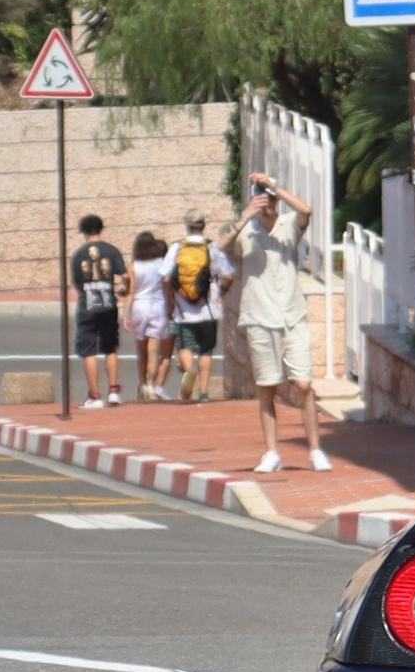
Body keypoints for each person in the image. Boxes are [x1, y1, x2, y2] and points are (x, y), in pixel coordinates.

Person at [229, 170, 331, 474]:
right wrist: (246, 214)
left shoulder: (289, 224)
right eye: (263, 197)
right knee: (267, 388)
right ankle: (272, 452)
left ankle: (315, 451)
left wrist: (276, 187)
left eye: (271, 198)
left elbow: (306, 211)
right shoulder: (245, 229)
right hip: (259, 317)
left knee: (303, 385)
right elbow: (221, 243)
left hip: (292, 315)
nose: (268, 204)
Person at [163, 210, 233, 402]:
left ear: (187, 224)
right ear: (203, 225)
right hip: (209, 309)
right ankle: (203, 392)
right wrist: (220, 293)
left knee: (185, 346)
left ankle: (188, 370)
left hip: (183, 310)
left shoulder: (177, 247)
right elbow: (228, 276)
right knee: (206, 350)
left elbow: (166, 278)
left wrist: (169, 301)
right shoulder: (213, 248)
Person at [67, 213, 126, 408]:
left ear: (83, 231)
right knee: (110, 347)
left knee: (88, 350)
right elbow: (125, 276)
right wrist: (125, 289)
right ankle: (114, 391)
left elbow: (77, 283)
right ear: (101, 228)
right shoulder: (112, 251)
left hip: (88, 306)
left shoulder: (78, 254)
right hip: (109, 304)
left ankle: (95, 395)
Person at [125, 231, 172, 400]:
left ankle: (142, 385)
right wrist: (170, 304)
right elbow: (167, 285)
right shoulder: (162, 263)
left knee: (141, 352)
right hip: (158, 306)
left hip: (139, 306)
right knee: (154, 350)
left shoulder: (132, 266)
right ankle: (151, 385)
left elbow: (130, 291)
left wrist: (126, 315)